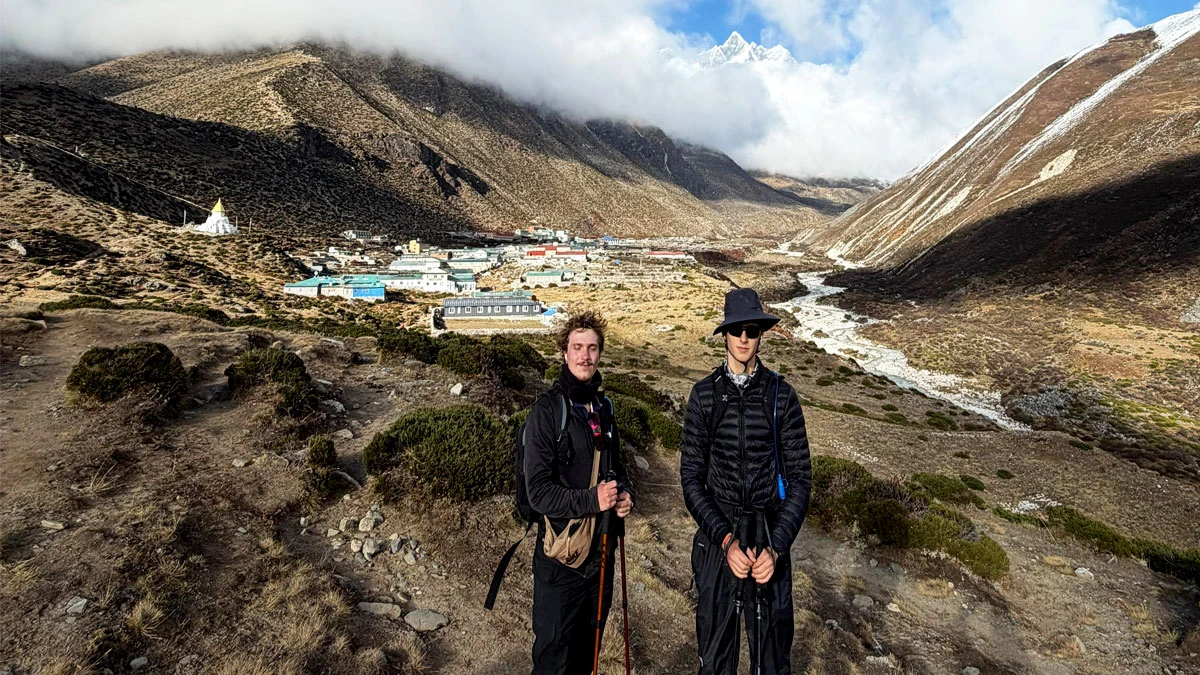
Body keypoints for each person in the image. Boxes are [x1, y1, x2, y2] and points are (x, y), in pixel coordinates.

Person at [680, 288, 813, 675]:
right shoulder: (704, 395)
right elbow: (691, 479)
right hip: (718, 540)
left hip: (769, 538)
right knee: (715, 658)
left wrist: (777, 548)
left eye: (751, 331)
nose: (743, 339)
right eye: (736, 330)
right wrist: (724, 540)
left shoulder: (782, 396)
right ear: (725, 334)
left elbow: (801, 479)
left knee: (771, 661)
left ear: (761, 336)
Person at [524, 309, 633, 675]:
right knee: (554, 660)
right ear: (564, 353)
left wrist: (624, 494)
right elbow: (537, 492)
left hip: (600, 557)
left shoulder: (604, 407)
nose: (585, 356)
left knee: (589, 656)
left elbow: (615, 469)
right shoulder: (546, 413)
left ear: (600, 353)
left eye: (592, 348)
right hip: (560, 560)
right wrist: (592, 500)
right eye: (577, 347)